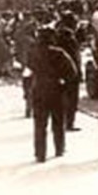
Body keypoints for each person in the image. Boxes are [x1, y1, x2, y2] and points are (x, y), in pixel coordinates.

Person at [28, 26, 79, 162]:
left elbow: (28, 67)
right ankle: (59, 148)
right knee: (58, 121)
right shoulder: (59, 53)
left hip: (38, 88)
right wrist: (65, 82)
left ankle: (40, 153)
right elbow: (72, 71)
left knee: (39, 123)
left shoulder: (33, 52)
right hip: (56, 89)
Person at [56, 11, 82, 131]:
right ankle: (69, 123)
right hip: (71, 73)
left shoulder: (58, 35)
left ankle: (62, 122)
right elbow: (75, 57)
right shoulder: (69, 37)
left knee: (62, 99)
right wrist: (78, 72)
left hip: (60, 72)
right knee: (72, 99)